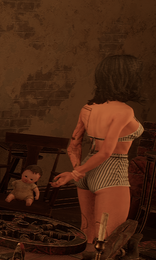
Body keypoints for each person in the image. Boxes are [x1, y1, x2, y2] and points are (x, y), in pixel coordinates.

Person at [52, 54, 145, 244]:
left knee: (87, 233)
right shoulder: (124, 111)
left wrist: (79, 171)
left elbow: (73, 145)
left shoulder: (88, 108)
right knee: (108, 240)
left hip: (87, 169)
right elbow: (106, 152)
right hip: (112, 172)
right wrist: (75, 173)